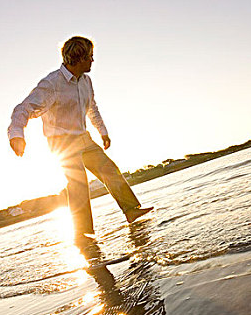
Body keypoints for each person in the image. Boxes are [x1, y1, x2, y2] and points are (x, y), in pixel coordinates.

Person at [8, 36, 152, 247]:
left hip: (83, 138)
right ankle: (83, 235)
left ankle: (131, 211)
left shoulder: (86, 81)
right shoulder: (52, 84)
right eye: (90, 57)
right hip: (61, 143)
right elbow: (23, 109)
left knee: (110, 170)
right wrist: (17, 135)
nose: (93, 61)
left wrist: (103, 132)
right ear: (79, 57)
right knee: (78, 185)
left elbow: (92, 108)